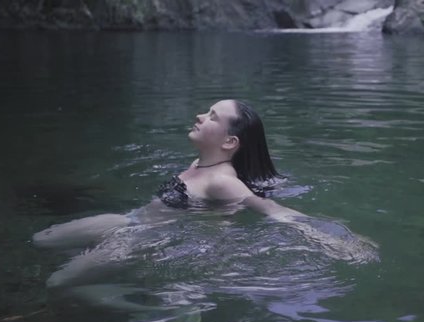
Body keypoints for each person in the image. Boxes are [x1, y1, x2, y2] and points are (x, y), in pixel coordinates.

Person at [34, 99, 377, 288]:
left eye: (212, 116)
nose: (200, 115)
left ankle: (110, 294)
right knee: (41, 240)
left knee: (56, 282)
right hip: (129, 221)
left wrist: (336, 237)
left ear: (230, 142)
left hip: (139, 241)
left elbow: (273, 210)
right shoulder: (200, 161)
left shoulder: (223, 181)